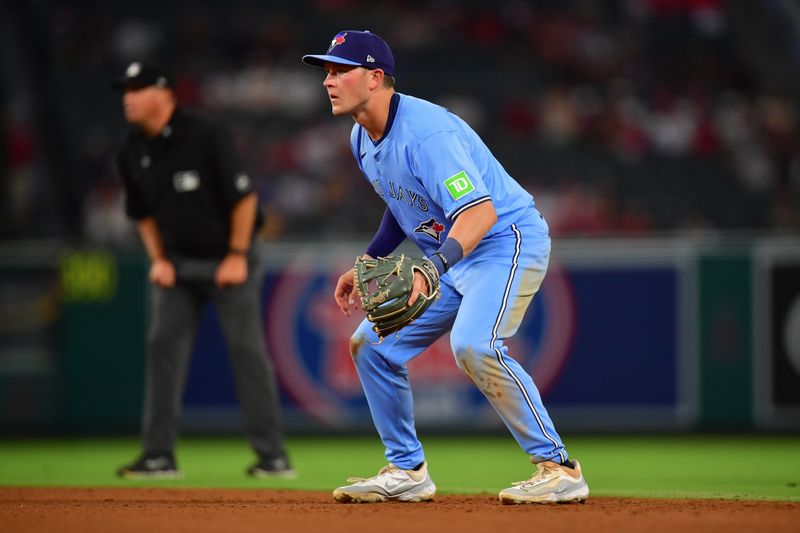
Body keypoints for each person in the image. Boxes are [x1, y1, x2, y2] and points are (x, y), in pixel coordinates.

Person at [302, 31, 589, 504]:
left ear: (375, 78)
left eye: (340, 70)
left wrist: (431, 267)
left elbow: (480, 214)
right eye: (327, 72)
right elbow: (402, 202)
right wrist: (372, 258)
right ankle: (407, 470)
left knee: (475, 345)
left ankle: (558, 468)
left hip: (504, 241)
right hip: (458, 256)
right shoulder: (362, 136)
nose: (328, 81)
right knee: (371, 346)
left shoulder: (428, 133)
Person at [112, 61, 293, 480]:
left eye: (136, 89)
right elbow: (141, 214)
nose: (127, 97)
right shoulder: (131, 149)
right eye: (125, 89)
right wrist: (158, 259)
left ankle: (273, 456)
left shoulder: (205, 134)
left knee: (246, 351)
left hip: (229, 259)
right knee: (162, 347)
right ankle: (158, 456)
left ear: (163, 93)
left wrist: (235, 254)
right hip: (178, 264)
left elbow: (244, 199)